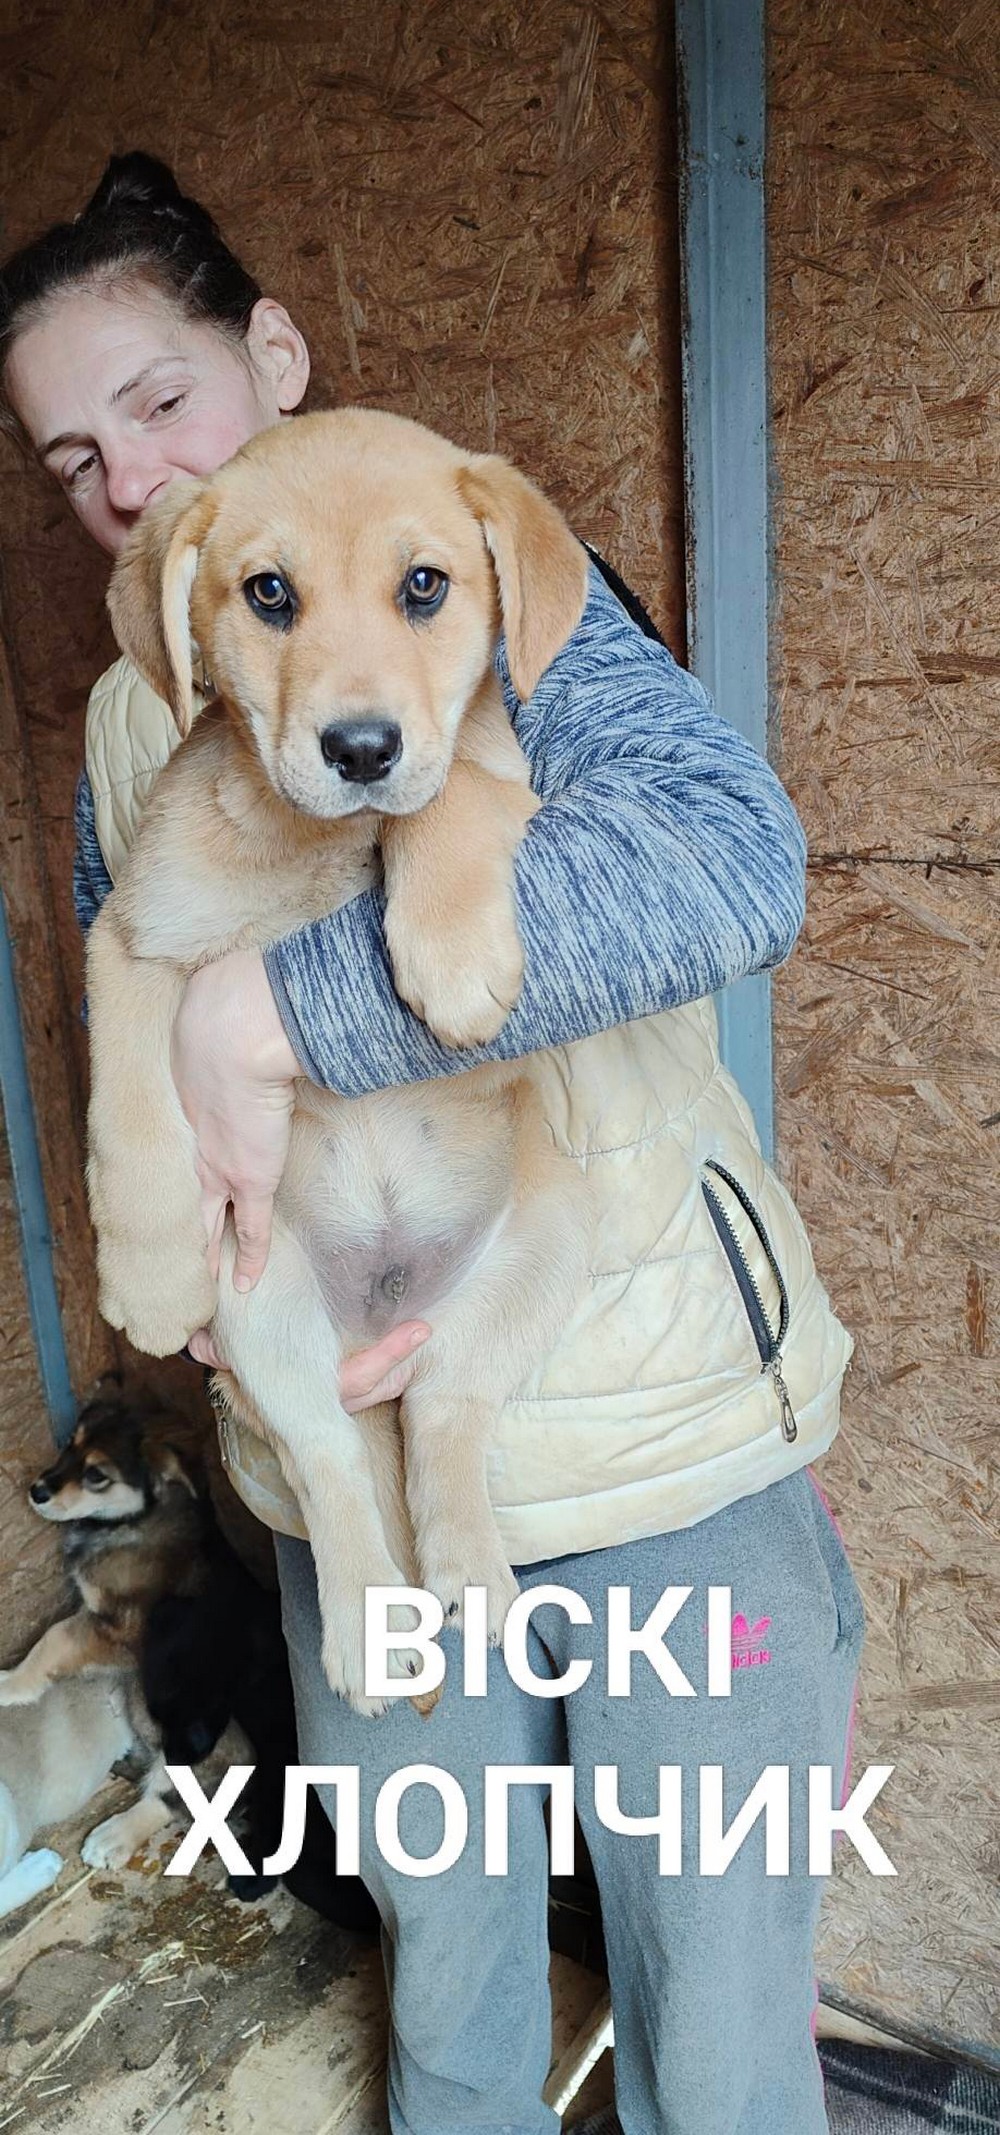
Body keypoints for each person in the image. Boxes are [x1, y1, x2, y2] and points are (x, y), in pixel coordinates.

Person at [0, 152, 864, 2135]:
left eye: (157, 402)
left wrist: (280, 1009)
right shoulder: (146, 708)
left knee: (715, 2025)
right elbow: (130, 1012)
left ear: (271, 352)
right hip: (346, 1467)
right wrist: (208, 1268)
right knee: (449, 1962)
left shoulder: (477, 587)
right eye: (68, 459)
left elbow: (727, 865)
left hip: (651, 1447)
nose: (126, 481)